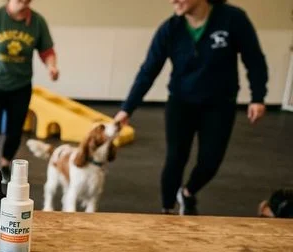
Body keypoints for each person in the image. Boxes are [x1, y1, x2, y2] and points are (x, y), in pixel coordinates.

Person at [114, 0, 268, 215]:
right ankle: (166, 210)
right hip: (181, 103)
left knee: (211, 161)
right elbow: (148, 70)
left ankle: (187, 192)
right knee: (175, 158)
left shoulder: (232, 19)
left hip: (219, 104)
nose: (173, 1)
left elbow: (254, 58)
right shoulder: (170, 29)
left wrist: (258, 96)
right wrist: (127, 108)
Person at [0, 0, 58, 181]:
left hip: (20, 86)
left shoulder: (37, 22)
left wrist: (52, 67)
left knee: (15, 131)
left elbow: (47, 51)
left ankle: (6, 162)